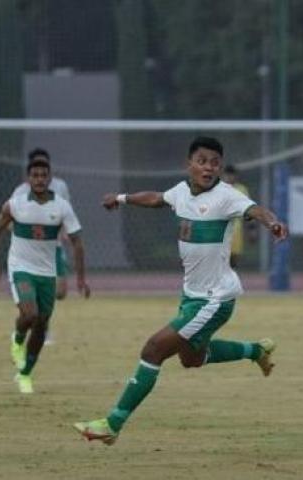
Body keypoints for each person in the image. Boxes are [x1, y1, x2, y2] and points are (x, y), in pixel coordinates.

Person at [73, 136, 288, 445]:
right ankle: (256, 350)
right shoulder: (180, 192)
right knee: (191, 359)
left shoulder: (226, 196)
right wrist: (121, 198)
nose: (209, 167)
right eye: (202, 161)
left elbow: (256, 210)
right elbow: (156, 199)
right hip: (191, 296)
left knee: (153, 349)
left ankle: (112, 424)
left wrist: (273, 223)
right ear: (189, 164)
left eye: (215, 162)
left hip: (215, 299)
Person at [0, 155, 90, 394]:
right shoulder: (15, 204)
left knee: (42, 325)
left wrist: (81, 278)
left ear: (50, 178)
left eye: (44, 175)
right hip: (21, 267)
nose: (40, 179)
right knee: (30, 314)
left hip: (47, 272)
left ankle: (25, 374)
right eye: (35, 175)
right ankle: (18, 337)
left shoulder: (62, 206)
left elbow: (77, 243)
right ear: (28, 179)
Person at [12, 148, 72, 344]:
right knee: (37, 299)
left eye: (44, 167)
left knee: (60, 292)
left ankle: (38, 319)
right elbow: (7, 222)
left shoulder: (60, 186)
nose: (40, 175)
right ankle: (39, 330)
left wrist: (65, 231)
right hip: (30, 253)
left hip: (53, 248)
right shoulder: (20, 192)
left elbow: (66, 213)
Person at [222, 164, 255, 268]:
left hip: (236, 229)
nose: (230, 177)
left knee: (233, 261)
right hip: (219, 228)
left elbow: (248, 211)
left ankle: (229, 282)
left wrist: (252, 229)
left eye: (232, 175)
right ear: (223, 175)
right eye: (227, 175)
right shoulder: (217, 189)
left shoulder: (241, 190)